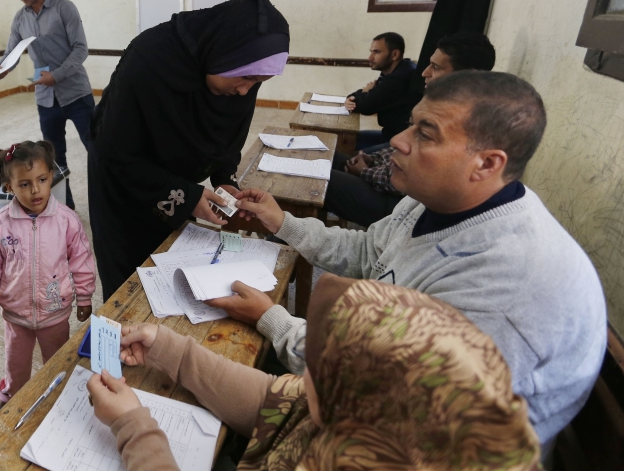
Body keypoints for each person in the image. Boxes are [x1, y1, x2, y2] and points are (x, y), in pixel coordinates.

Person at [211, 71, 606, 446]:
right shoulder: (436, 201)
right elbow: (368, 253)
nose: (399, 140)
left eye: (426, 134)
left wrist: (273, 319)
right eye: (412, 123)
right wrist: (283, 222)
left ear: (487, 163)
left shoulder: (509, 286)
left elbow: (381, 390)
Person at [87, 277, 542, 470]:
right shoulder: (399, 426)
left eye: (323, 369)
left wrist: (134, 428)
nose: (307, 372)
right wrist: (171, 350)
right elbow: (274, 401)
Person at [88, 0, 290, 301]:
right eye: (246, 77)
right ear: (222, 52)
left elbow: (227, 137)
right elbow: (115, 150)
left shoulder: (241, 79)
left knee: (171, 272)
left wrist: (225, 179)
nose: (245, 90)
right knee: (129, 285)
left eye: (259, 82)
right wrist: (186, 196)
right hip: (123, 187)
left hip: (175, 186)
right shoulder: (149, 60)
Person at [0, 140, 96, 422]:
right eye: (25, 184)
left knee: (57, 361)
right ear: (9, 186)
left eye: (41, 180)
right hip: (16, 315)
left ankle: (58, 398)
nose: (35, 190)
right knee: (15, 364)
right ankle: (8, 398)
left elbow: (82, 260)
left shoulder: (67, 220)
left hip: (56, 312)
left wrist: (86, 296)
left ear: (51, 176)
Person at [326, 32, 497, 226]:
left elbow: (405, 181)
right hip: (393, 188)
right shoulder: (441, 104)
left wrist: (364, 171)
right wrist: (371, 160)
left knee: (320, 180)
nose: (425, 73)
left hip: (402, 208)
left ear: (465, 77)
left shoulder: (461, 123)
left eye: (436, 67)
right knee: (328, 158)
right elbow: (399, 151)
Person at [0, 0, 93, 209]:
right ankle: (66, 210)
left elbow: (81, 50)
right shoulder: (19, 19)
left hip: (77, 94)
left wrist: (55, 75)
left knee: (98, 151)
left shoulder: (64, 8)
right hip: (46, 100)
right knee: (53, 160)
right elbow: (11, 53)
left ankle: (107, 204)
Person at [343, 32, 418, 150]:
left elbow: (366, 107)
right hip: (389, 134)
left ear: (394, 54)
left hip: (401, 143)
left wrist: (362, 94)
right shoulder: (395, 70)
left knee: (349, 152)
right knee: (344, 139)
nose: (370, 57)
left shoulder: (400, 77)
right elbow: (364, 97)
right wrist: (357, 95)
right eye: (371, 51)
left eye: (376, 52)